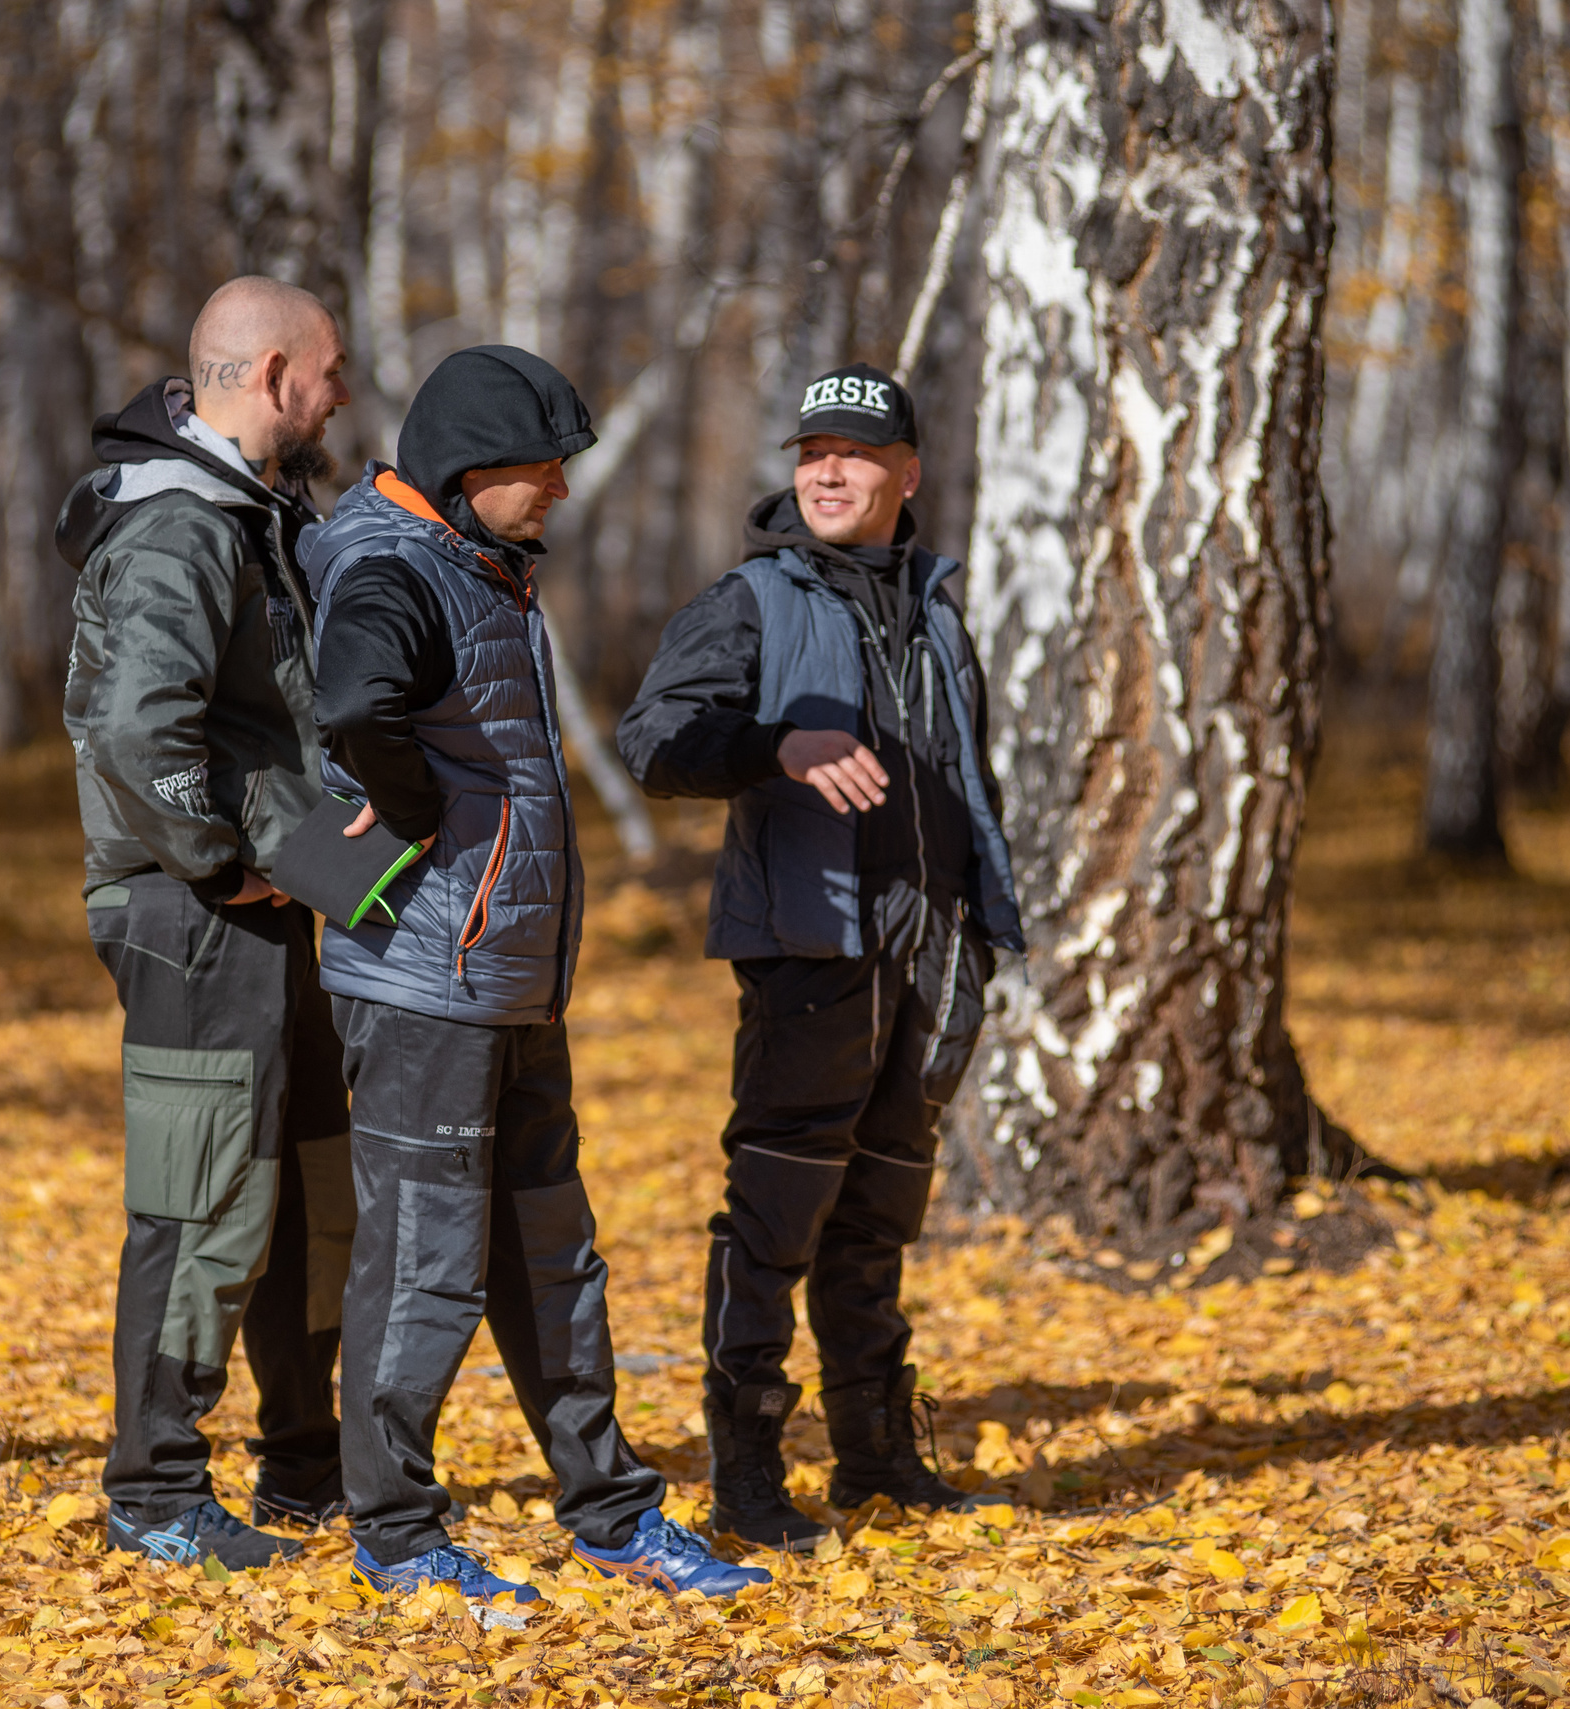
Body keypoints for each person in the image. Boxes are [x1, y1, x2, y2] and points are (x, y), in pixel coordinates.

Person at [300, 346, 770, 1611]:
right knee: (421, 1264)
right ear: (470, 472)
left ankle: (611, 1510)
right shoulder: (393, 564)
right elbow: (353, 704)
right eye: (545, 468)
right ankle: (396, 1533)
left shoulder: (476, 565)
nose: (560, 488)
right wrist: (409, 811)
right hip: (421, 984)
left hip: (501, 979)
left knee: (552, 1254)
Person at [616, 361, 1026, 1551]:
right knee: (775, 1215)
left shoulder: (936, 601)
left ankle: (876, 1457)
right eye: (809, 453)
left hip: (932, 949)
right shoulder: (751, 600)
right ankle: (744, 1468)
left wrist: (982, 916)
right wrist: (774, 744)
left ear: (908, 473)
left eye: (853, 452)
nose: (827, 470)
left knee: (879, 1208)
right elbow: (656, 739)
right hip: (811, 946)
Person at [55, 277, 357, 1570]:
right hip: (195, 914)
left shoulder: (243, 510)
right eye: (333, 374)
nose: (341, 398)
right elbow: (135, 726)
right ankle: (157, 1494)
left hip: (263, 909)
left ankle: (305, 1463)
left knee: (302, 1191)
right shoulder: (179, 521)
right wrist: (218, 858)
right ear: (277, 372)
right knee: (204, 1196)